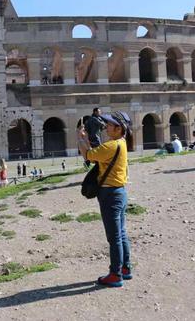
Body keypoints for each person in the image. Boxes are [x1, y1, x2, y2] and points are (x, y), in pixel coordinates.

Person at [78, 111, 133, 288]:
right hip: (120, 192)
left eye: (109, 124)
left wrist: (81, 139)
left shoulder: (111, 146)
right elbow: (95, 154)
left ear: (119, 129)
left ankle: (115, 274)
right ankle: (125, 268)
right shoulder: (121, 143)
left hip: (110, 194)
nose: (106, 126)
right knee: (121, 233)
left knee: (114, 237)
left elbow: (88, 155)